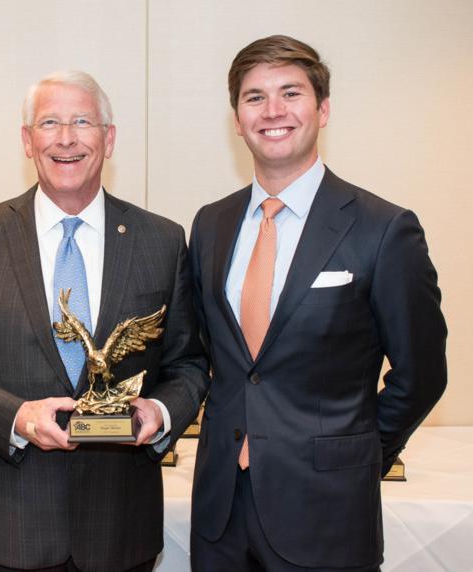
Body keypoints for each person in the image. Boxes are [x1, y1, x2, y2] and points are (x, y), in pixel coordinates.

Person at [0, 70, 207, 572]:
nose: (65, 138)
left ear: (108, 139)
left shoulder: (160, 240)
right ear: (28, 141)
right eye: (49, 122)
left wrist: (159, 412)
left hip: (121, 529)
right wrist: (16, 417)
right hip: (8, 528)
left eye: (82, 122)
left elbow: (190, 363)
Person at [188, 35, 447, 571]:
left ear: (323, 109)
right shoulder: (210, 224)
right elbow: (210, 354)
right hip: (220, 515)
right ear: (236, 119)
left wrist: (354, 456)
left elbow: (421, 373)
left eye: (291, 93)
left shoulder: (383, 229)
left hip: (328, 511)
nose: (273, 111)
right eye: (254, 97)